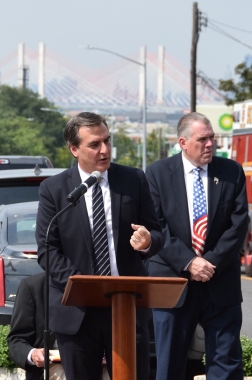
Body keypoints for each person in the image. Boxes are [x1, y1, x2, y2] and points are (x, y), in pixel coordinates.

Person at [36, 112, 164, 380]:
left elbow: (156, 234)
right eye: (94, 144)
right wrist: (84, 285)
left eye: (107, 140)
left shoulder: (133, 180)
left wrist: (147, 241)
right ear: (74, 149)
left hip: (127, 306)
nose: (105, 150)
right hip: (77, 311)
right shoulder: (55, 189)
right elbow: (48, 250)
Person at [145, 112, 248, 380]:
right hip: (172, 282)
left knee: (226, 365)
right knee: (169, 366)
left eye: (212, 137)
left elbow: (238, 226)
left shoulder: (231, 172)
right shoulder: (157, 174)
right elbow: (155, 227)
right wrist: (189, 262)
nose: (210, 144)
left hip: (219, 281)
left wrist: (208, 263)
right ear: (183, 142)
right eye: (203, 139)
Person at [7, 272, 65, 380]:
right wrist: (33, 354)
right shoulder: (33, 286)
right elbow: (16, 340)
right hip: (54, 367)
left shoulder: (97, 283)